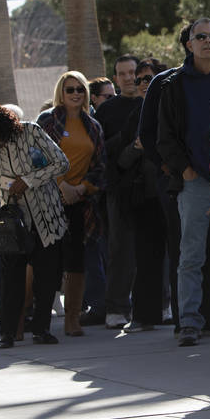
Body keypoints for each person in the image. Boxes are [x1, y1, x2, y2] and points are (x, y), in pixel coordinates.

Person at [157, 17, 210, 346]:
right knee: (191, 256)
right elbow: (163, 138)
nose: (207, 42)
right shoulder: (173, 85)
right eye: (200, 36)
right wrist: (186, 171)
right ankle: (188, 322)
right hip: (195, 183)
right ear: (189, 44)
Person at [0, 104, 70, 347]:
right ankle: (7, 333)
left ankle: (42, 329)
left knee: (46, 279)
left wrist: (28, 181)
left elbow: (60, 163)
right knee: (11, 280)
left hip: (45, 217)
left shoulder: (31, 132)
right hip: (11, 224)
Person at [38, 71, 106, 337]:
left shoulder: (93, 126)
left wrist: (80, 188)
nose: (76, 94)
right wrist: (60, 185)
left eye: (80, 89)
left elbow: (101, 166)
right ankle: (37, 320)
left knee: (77, 263)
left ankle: (72, 320)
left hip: (81, 201)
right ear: (60, 93)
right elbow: (36, 158)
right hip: (48, 201)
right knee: (47, 261)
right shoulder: (47, 121)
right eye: (70, 90)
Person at [114, 57, 168, 331]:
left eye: (150, 78)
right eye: (140, 80)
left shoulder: (174, 107)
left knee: (187, 257)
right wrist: (137, 147)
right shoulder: (136, 114)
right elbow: (120, 160)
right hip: (145, 198)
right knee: (145, 259)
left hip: (174, 191)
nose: (145, 84)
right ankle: (144, 315)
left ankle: (190, 317)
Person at [94, 55, 142, 330]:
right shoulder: (107, 111)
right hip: (118, 189)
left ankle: (159, 304)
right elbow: (100, 151)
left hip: (149, 188)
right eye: (122, 73)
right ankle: (116, 308)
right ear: (115, 78)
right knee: (120, 250)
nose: (128, 77)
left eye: (132, 72)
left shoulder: (151, 103)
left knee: (154, 251)